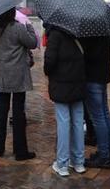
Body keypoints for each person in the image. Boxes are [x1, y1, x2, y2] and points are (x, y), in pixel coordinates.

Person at [0, 8, 37, 161]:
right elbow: (32, 43)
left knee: (1, 112)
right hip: (17, 75)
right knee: (18, 113)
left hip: (1, 75)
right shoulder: (17, 28)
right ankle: (20, 151)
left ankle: (0, 148)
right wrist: (29, 27)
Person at [44, 25, 86, 177]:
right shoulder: (79, 32)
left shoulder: (55, 35)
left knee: (63, 123)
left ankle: (62, 164)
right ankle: (79, 162)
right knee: (77, 123)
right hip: (78, 84)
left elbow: (49, 61)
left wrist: (48, 71)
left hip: (61, 85)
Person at [82, 29, 110, 169]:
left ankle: (104, 156)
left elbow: (89, 54)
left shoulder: (91, 30)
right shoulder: (105, 27)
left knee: (98, 118)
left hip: (92, 77)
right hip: (102, 75)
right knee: (105, 115)